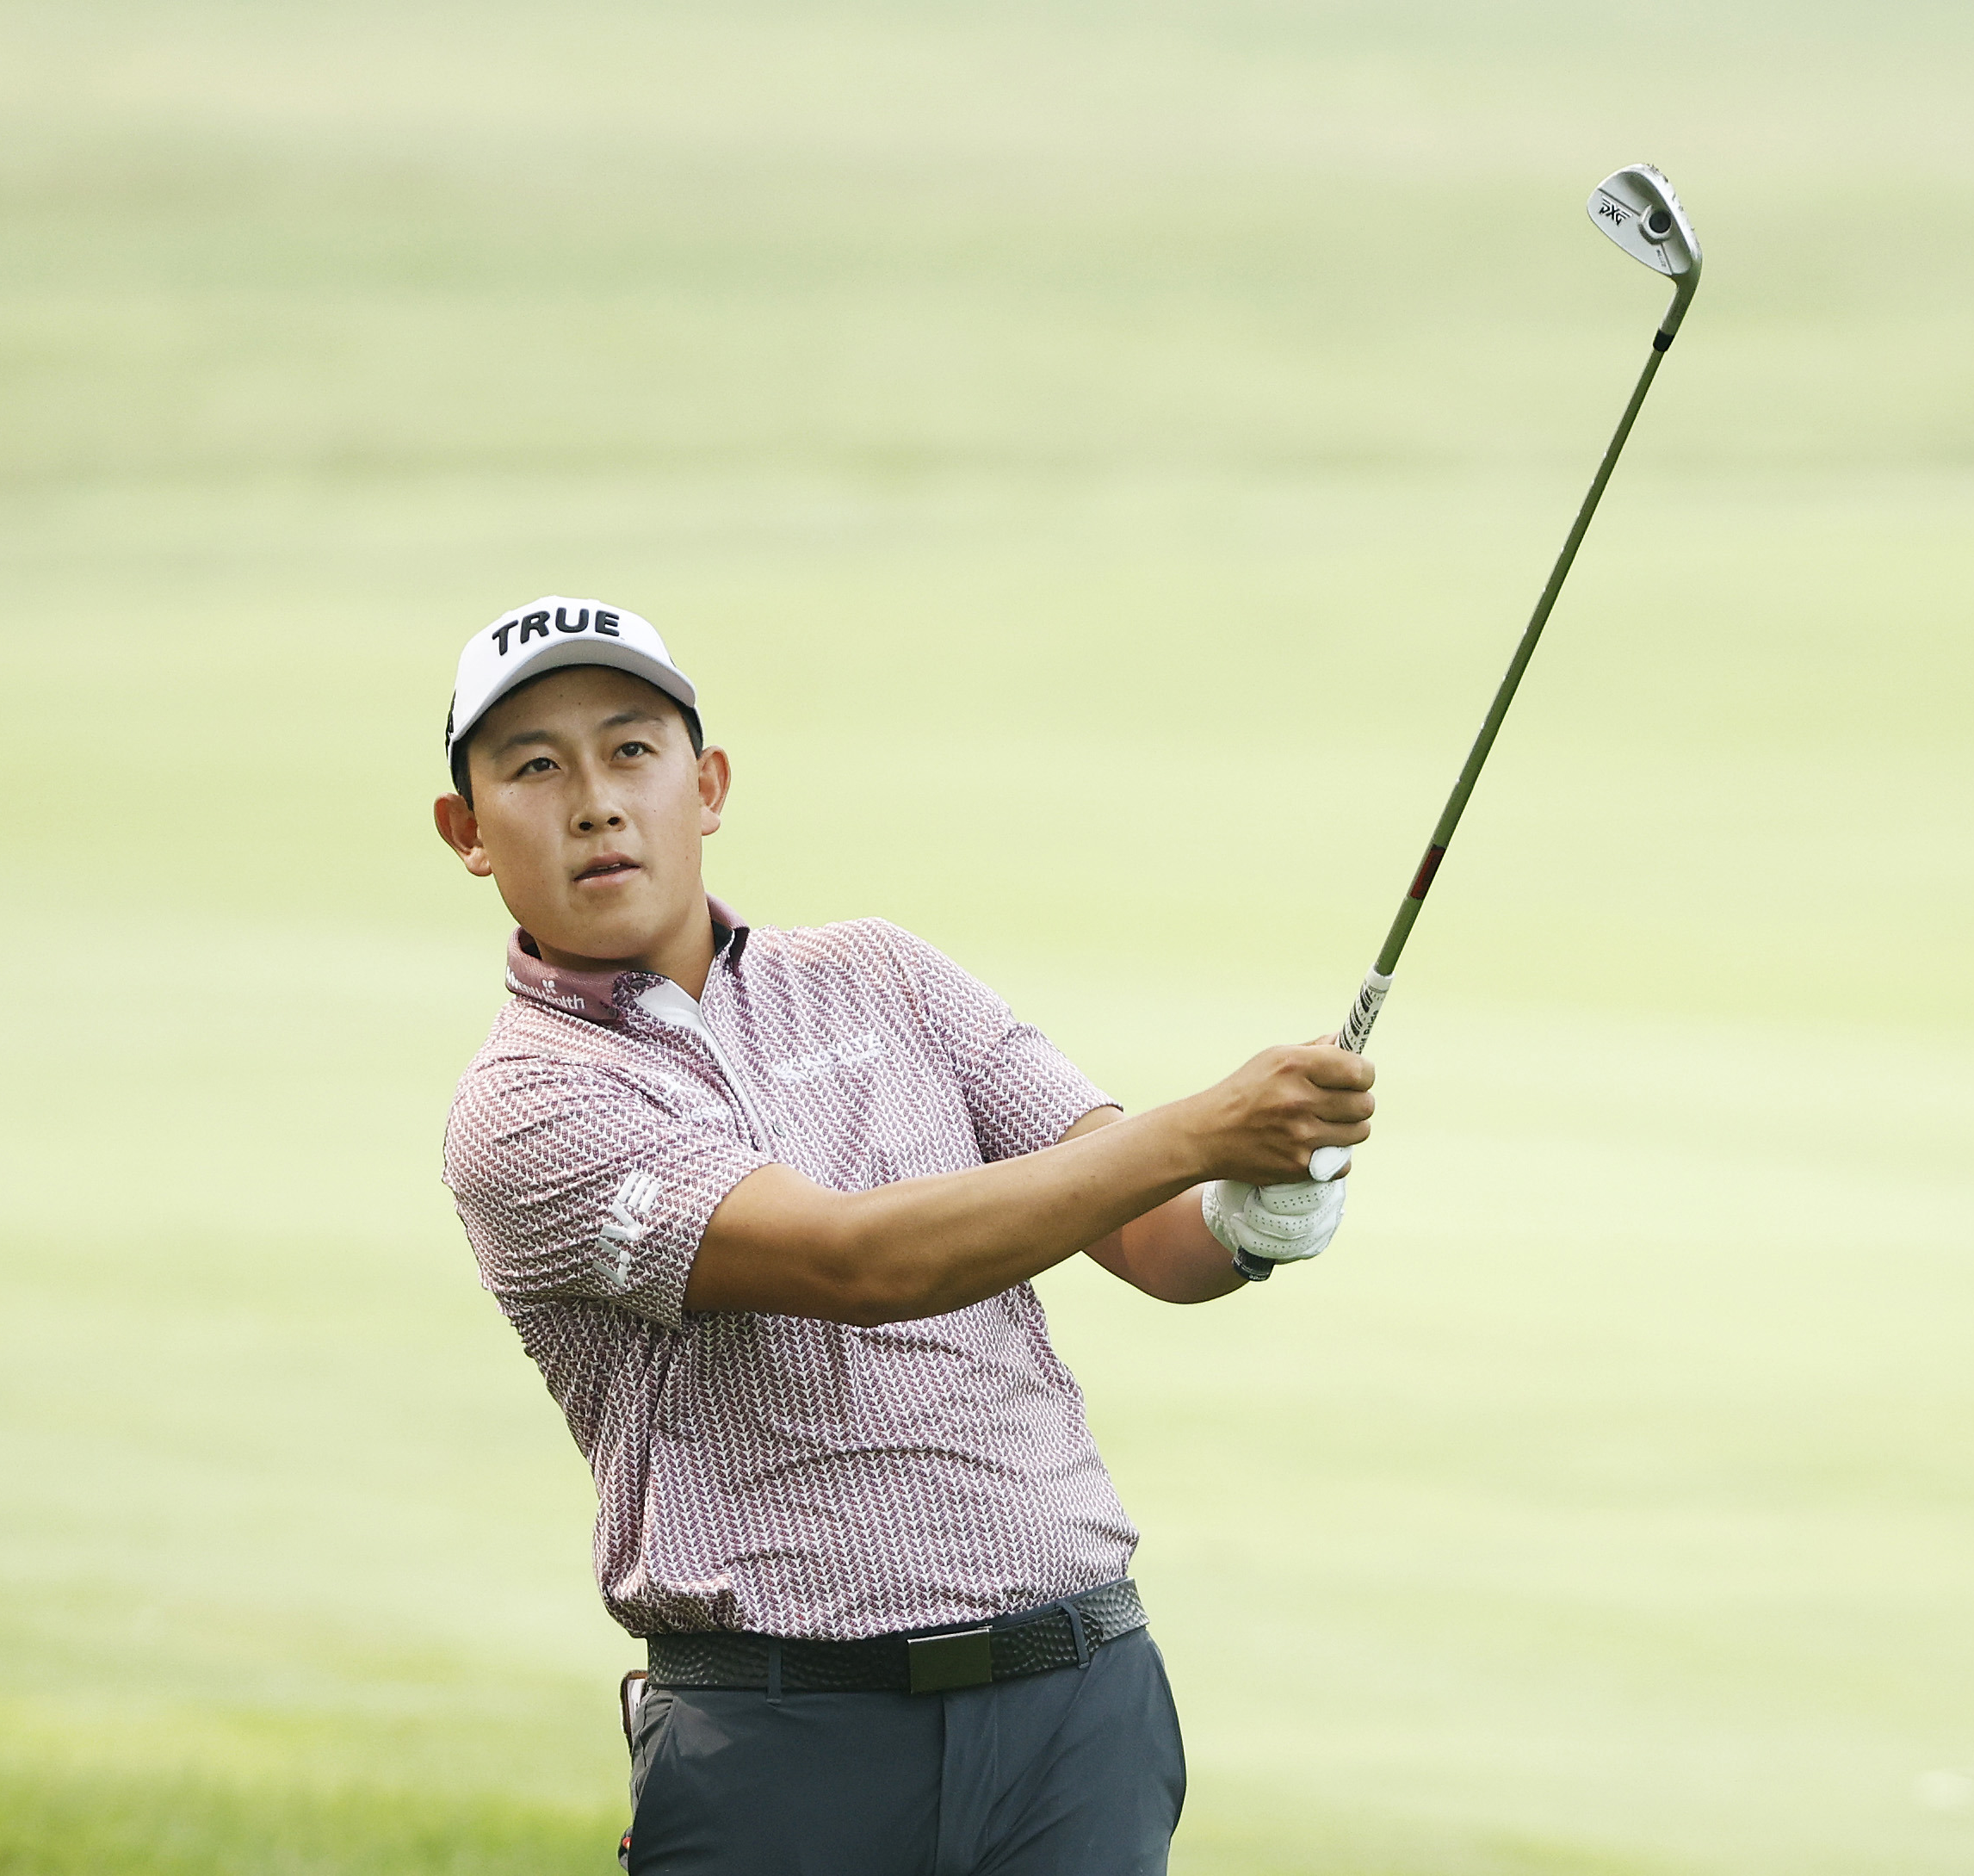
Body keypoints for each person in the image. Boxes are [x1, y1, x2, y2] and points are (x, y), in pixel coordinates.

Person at [431, 596, 1376, 1874]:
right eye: (533, 767)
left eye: (630, 750)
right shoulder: (525, 1104)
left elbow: (1155, 1236)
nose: (593, 800)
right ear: (466, 831)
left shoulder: (884, 974)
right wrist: (1205, 1131)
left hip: (1074, 1703)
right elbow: (854, 1263)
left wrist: (1255, 1208)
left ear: (704, 786)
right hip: (785, 1743)